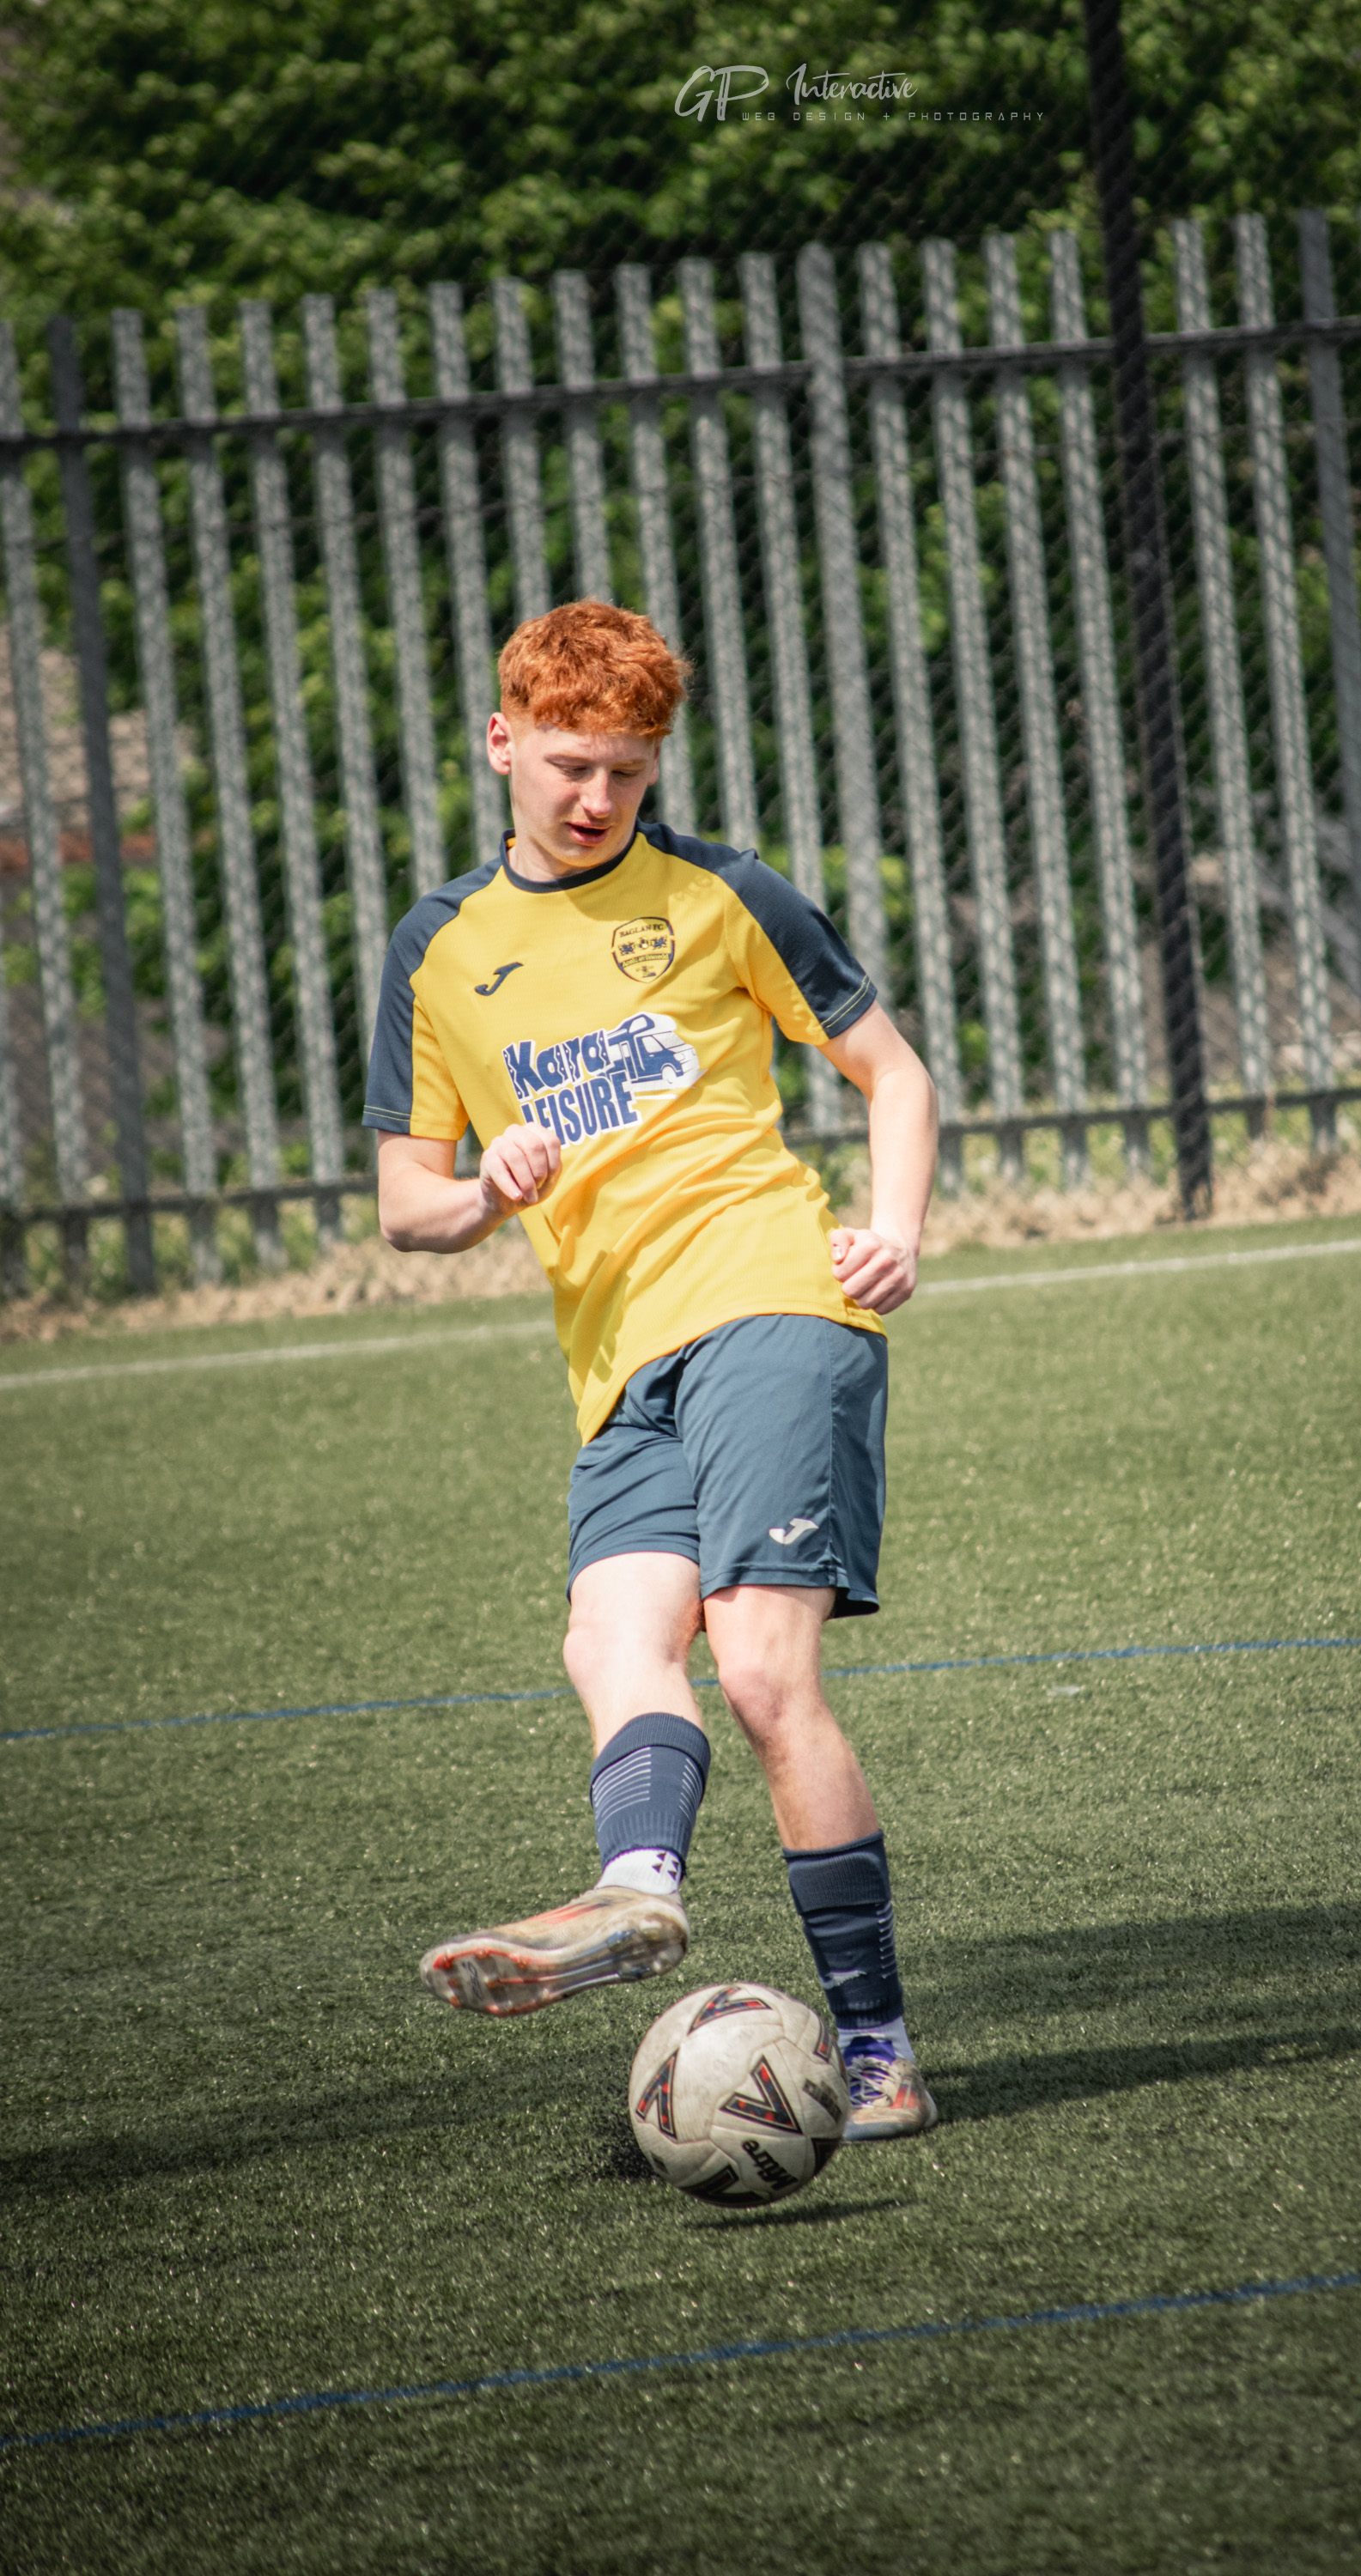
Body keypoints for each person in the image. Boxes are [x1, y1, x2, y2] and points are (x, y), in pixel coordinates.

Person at [363, 599, 939, 2141]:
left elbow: (892, 1069)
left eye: (624, 769)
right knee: (611, 1644)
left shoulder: (719, 893)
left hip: (772, 1303)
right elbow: (406, 1203)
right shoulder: (442, 949)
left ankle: (878, 2052)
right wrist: (488, 1187)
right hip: (619, 1366)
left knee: (761, 1670)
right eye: (565, 764)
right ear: (502, 744)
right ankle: (637, 1894)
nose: (594, 797)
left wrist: (891, 1225)